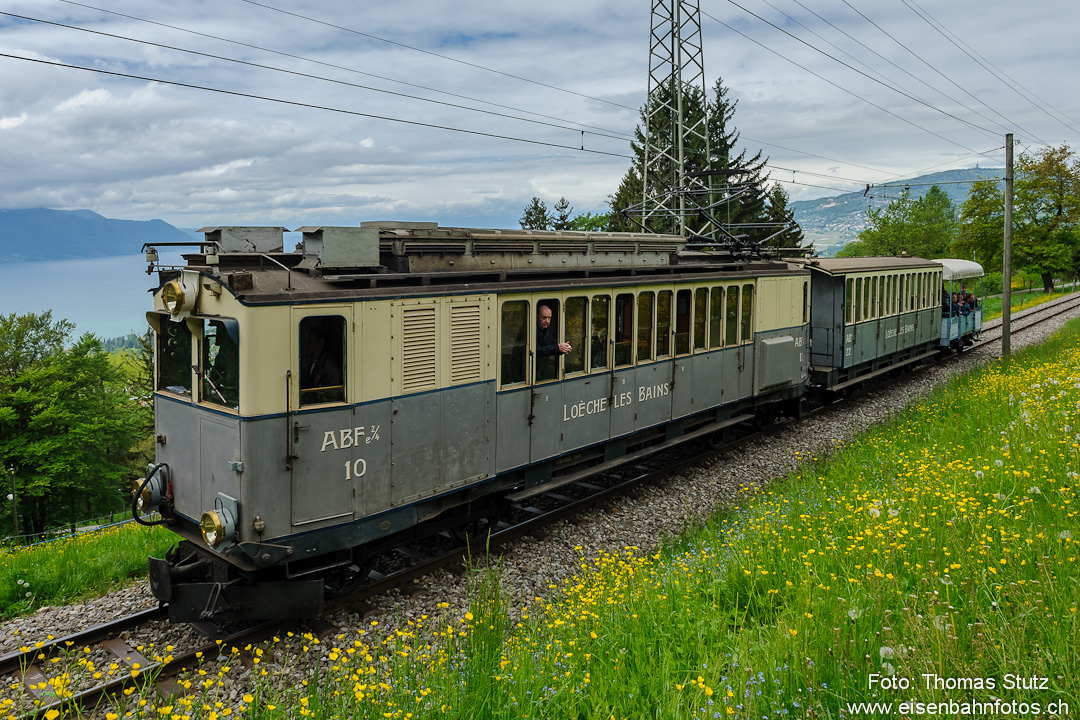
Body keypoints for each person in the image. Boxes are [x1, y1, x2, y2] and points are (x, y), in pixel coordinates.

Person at [303, 325, 342, 389]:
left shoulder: (329, 365)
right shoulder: (313, 361)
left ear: (321, 342)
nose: (307, 344)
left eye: (311, 341)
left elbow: (333, 391)